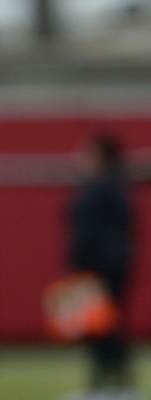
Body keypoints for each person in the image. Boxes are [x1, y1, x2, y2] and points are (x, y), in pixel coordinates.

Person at [69, 133, 136, 397]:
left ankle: (112, 383)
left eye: (89, 154)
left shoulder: (104, 188)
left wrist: (83, 264)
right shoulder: (107, 186)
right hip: (106, 266)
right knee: (101, 325)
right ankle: (111, 381)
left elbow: (94, 232)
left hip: (103, 267)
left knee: (105, 326)